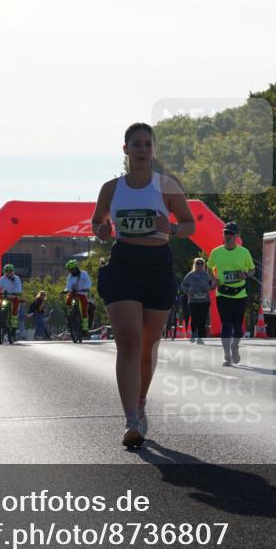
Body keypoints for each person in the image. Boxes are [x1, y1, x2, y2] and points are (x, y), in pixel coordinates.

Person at [92, 122, 195, 448]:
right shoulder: (111, 188)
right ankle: (131, 421)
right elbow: (97, 221)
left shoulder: (167, 187)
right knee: (129, 342)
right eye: (135, 144)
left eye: (147, 144)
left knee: (149, 347)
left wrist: (173, 229)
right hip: (123, 264)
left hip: (157, 266)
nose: (141, 150)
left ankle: (140, 402)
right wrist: (102, 230)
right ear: (125, 150)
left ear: (153, 149)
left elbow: (190, 224)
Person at [207, 221, 254, 366]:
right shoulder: (216, 252)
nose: (228, 236)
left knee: (238, 326)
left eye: (231, 233)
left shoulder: (244, 252)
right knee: (226, 325)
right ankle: (227, 355)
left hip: (240, 294)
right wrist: (214, 280)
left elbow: (252, 270)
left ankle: (235, 346)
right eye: (226, 233)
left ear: (237, 236)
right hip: (223, 294)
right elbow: (209, 267)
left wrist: (245, 275)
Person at [181, 257, 216, 344]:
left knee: (203, 319)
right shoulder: (190, 275)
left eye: (201, 264)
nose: (200, 265)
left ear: (204, 265)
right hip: (193, 301)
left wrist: (211, 287)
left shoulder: (207, 275)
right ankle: (193, 333)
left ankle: (200, 337)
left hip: (205, 300)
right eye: (198, 263)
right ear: (194, 264)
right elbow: (183, 285)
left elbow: (213, 285)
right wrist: (187, 291)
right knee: (194, 318)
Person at [0, 264, 23, 344]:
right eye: (7, 272)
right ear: (4, 272)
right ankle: (1, 319)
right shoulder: (2, 279)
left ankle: (13, 331)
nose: (9, 273)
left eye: (10, 271)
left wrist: (16, 292)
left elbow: (18, 287)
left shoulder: (16, 279)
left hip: (13, 298)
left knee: (14, 312)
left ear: (13, 271)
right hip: (5, 298)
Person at [63, 259, 92, 337]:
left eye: (71, 269)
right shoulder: (70, 276)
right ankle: (69, 317)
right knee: (68, 301)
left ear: (75, 268)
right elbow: (68, 285)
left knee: (84, 309)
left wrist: (86, 288)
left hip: (82, 293)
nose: (70, 271)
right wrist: (66, 290)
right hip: (73, 294)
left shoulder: (84, 274)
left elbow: (88, 282)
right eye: (69, 270)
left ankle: (84, 328)